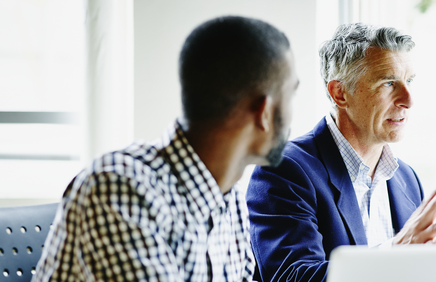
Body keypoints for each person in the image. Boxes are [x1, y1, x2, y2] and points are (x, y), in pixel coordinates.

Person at [34, 16, 299, 282]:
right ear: (264, 111)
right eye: (291, 94)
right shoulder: (120, 189)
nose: (292, 114)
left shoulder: (229, 201)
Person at [246, 23, 436, 282]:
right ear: (340, 93)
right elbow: (294, 277)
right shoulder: (285, 170)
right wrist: (394, 254)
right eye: (388, 83)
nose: (408, 99)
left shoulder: (406, 178)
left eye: (409, 81)